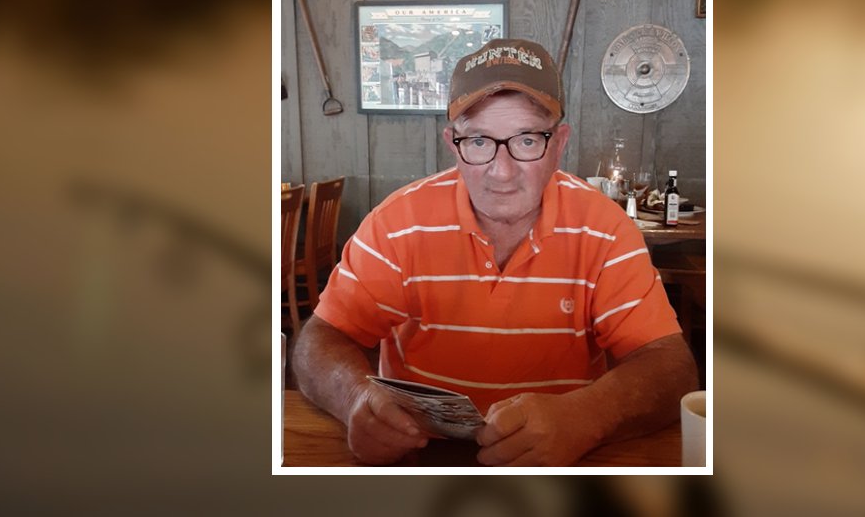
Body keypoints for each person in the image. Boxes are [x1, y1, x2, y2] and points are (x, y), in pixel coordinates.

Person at [292, 38, 699, 466]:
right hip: (419, 454)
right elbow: (320, 339)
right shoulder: (396, 223)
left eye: (528, 140)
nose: (501, 172)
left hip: (561, 457)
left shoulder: (606, 228)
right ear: (453, 144)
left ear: (559, 145)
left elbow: (669, 366)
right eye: (479, 141)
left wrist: (587, 417)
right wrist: (354, 398)